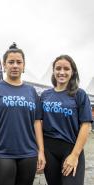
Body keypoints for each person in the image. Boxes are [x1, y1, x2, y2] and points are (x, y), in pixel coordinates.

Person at [0, 43, 46, 185]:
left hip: (29, 154)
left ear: (23, 66)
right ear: (4, 65)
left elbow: (37, 122)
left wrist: (41, 151)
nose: (15, 65)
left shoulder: (31, 91)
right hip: (3, 153)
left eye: (19, 62)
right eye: (11, 62)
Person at [40, 55, 93, 185]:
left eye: (66, 69)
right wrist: (39, 151)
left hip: (71, 148)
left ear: (72, 72)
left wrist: (75, 155)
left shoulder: (79, 95)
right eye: (58, 68)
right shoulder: (45, 95)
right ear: (53, 71)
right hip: (49, 150)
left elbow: (86, 126)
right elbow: (39, 123)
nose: (62, 72)